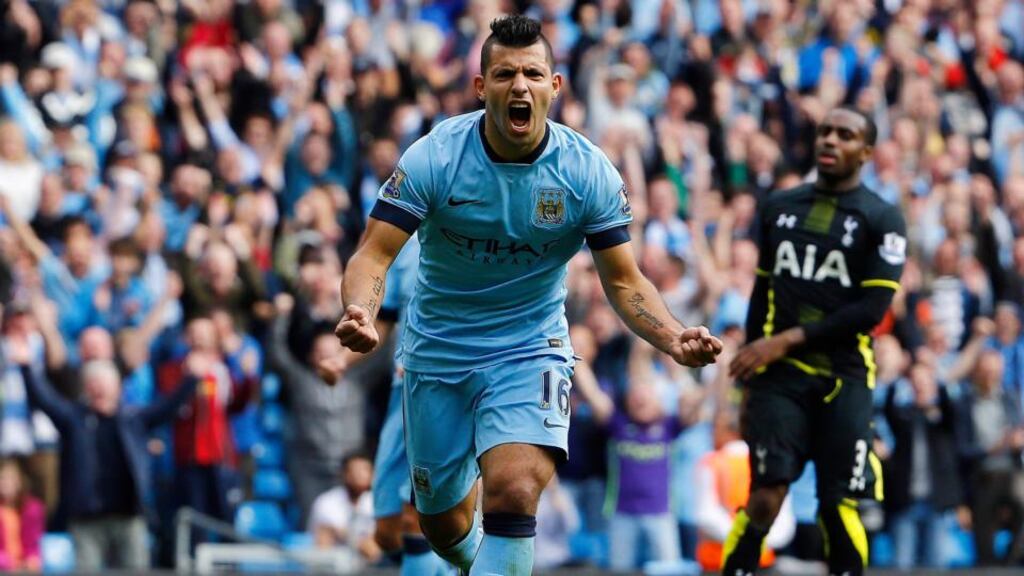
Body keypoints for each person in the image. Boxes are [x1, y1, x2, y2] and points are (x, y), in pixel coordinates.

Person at [335, 15, 722, 575]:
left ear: (554, 87)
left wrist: (672, 336)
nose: (520, 85)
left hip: (529, 346)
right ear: (481, 86)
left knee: (515, 491)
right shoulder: (435, 157)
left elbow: (624, 279)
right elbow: (373, 254)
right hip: (438, 351)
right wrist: (361, 311)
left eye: (533, 74)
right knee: (441, 526)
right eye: (506, 74)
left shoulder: (587, 173)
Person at [724, 107, 907, 576]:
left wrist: (783, 341)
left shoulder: (883, 219)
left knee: (836, 504)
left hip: (844, 375)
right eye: (825, 131)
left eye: (844, 135)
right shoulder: (778, 207)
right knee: (765, 497)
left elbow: (871, 312)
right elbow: (762, 292)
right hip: (778, 378)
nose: (829, 140)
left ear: (865, 152)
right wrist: (750, 375)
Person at [308, 450, 380, 564]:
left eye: (365, 470)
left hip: (368, 565)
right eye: (355, 471)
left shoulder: (377, 502)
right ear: (344, 474)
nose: (360, 475)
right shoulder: (326, 501)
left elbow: (374, 546)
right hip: (332, 564)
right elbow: (328, 534)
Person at [0, 459, 43, 572]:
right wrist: (6, 562)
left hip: (23, 568)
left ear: (20, 481)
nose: (7, 483)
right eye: (3, 478)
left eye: (11, 478)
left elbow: (33, 545)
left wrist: (32, 559)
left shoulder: (32, 509)